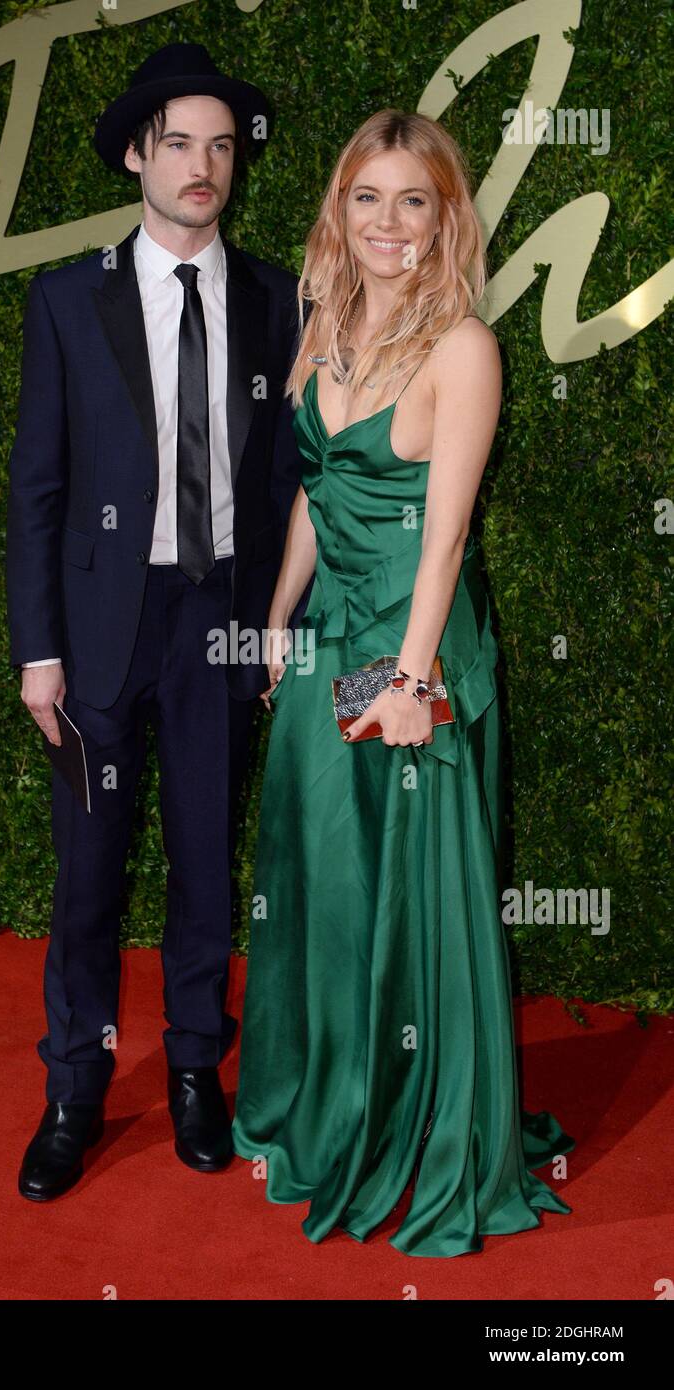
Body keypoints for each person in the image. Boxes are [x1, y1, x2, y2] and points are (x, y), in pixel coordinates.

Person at [231, 110, 575, 1257]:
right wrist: (276, 624)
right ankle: (329, 1111)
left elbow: (444, 539)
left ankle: (422, 1134)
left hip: (412, 655)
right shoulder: (320, 320)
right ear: (339, 207)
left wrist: (407, 684)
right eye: (366, 198)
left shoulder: (462, 347)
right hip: (327, 639)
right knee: (323, 890)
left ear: (444, 217)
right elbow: (313, 498)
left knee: (407, 910)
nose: (386, 222)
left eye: (411, 200)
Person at [6, 43, 306, 1201]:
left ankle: (194, 1070)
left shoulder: (280, 297)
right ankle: (73, 1089)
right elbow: (36, 484)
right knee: (86, 871)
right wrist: (37, 648)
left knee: (201, 861)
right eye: (178, 142)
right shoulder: (67, 298)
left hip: (216, 617)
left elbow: (288, 482)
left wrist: (281, 621)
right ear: (137, 153)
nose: (202, 165)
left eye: (221, 145)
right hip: (94, 631)